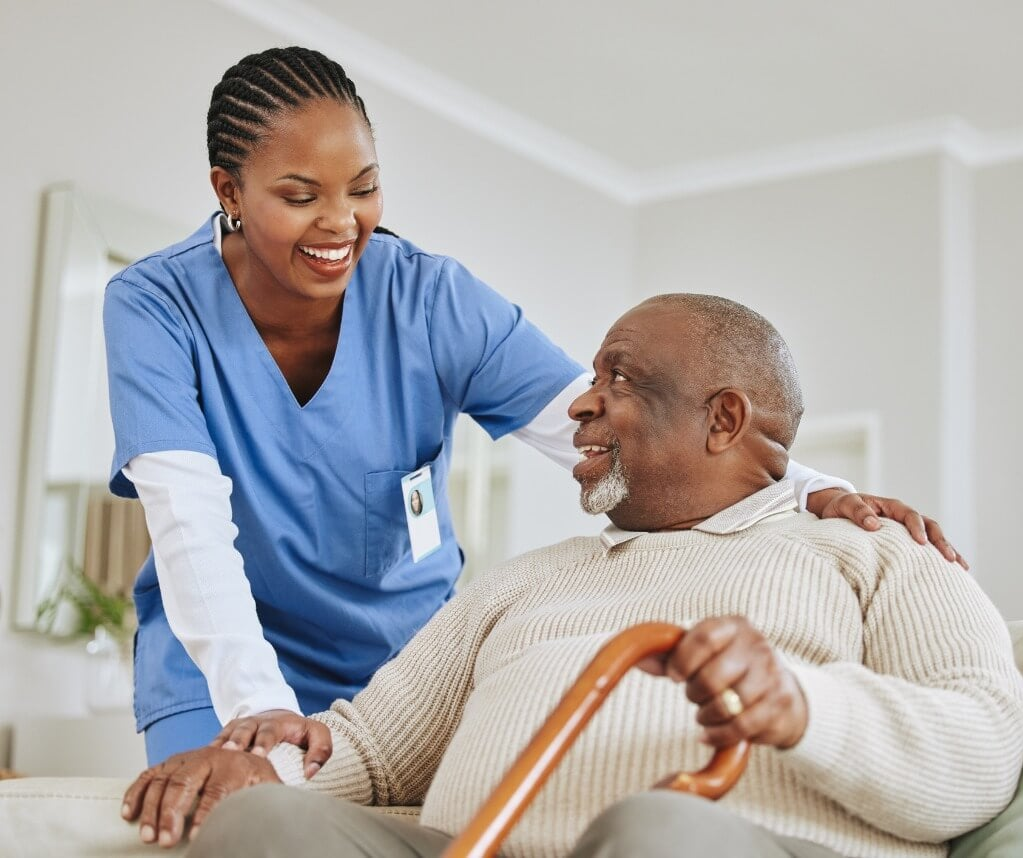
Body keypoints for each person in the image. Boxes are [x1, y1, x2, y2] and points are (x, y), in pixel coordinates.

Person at [104, 46, 964, 768]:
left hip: (401, 668)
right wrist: (258, 704)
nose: (342, 223)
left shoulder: (430, 300)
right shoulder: (153, 307)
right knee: (230, 825)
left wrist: (806, 485)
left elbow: (604, 428)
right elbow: (189, 527)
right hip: (219, 661)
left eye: (363, 188)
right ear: (228, 190)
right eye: (300, 196)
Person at [122, 294, 1023, 857]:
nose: (583, 402)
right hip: (474, 849)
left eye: (621, 379)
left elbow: (984, 750)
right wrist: (252, 771)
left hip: (722, 846)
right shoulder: (522, 583)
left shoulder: (874, 552)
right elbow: (366, 750)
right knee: (262, 827)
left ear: (724, 419)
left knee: (660, 831)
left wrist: (803, 706)